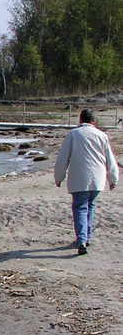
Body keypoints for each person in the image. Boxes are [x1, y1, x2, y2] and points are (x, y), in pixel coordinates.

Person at [54, 108, 118, 254]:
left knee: (80, 207)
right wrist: (113, 178)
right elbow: (110, 159)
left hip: (79, 178)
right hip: (97, 179)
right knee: (90, 206)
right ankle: (86, 237)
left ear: (80, 120)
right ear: (94, 121)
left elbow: (63, 158)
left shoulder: (73, 134)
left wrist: (59, 177)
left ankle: (82, 239)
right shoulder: (102, 136)